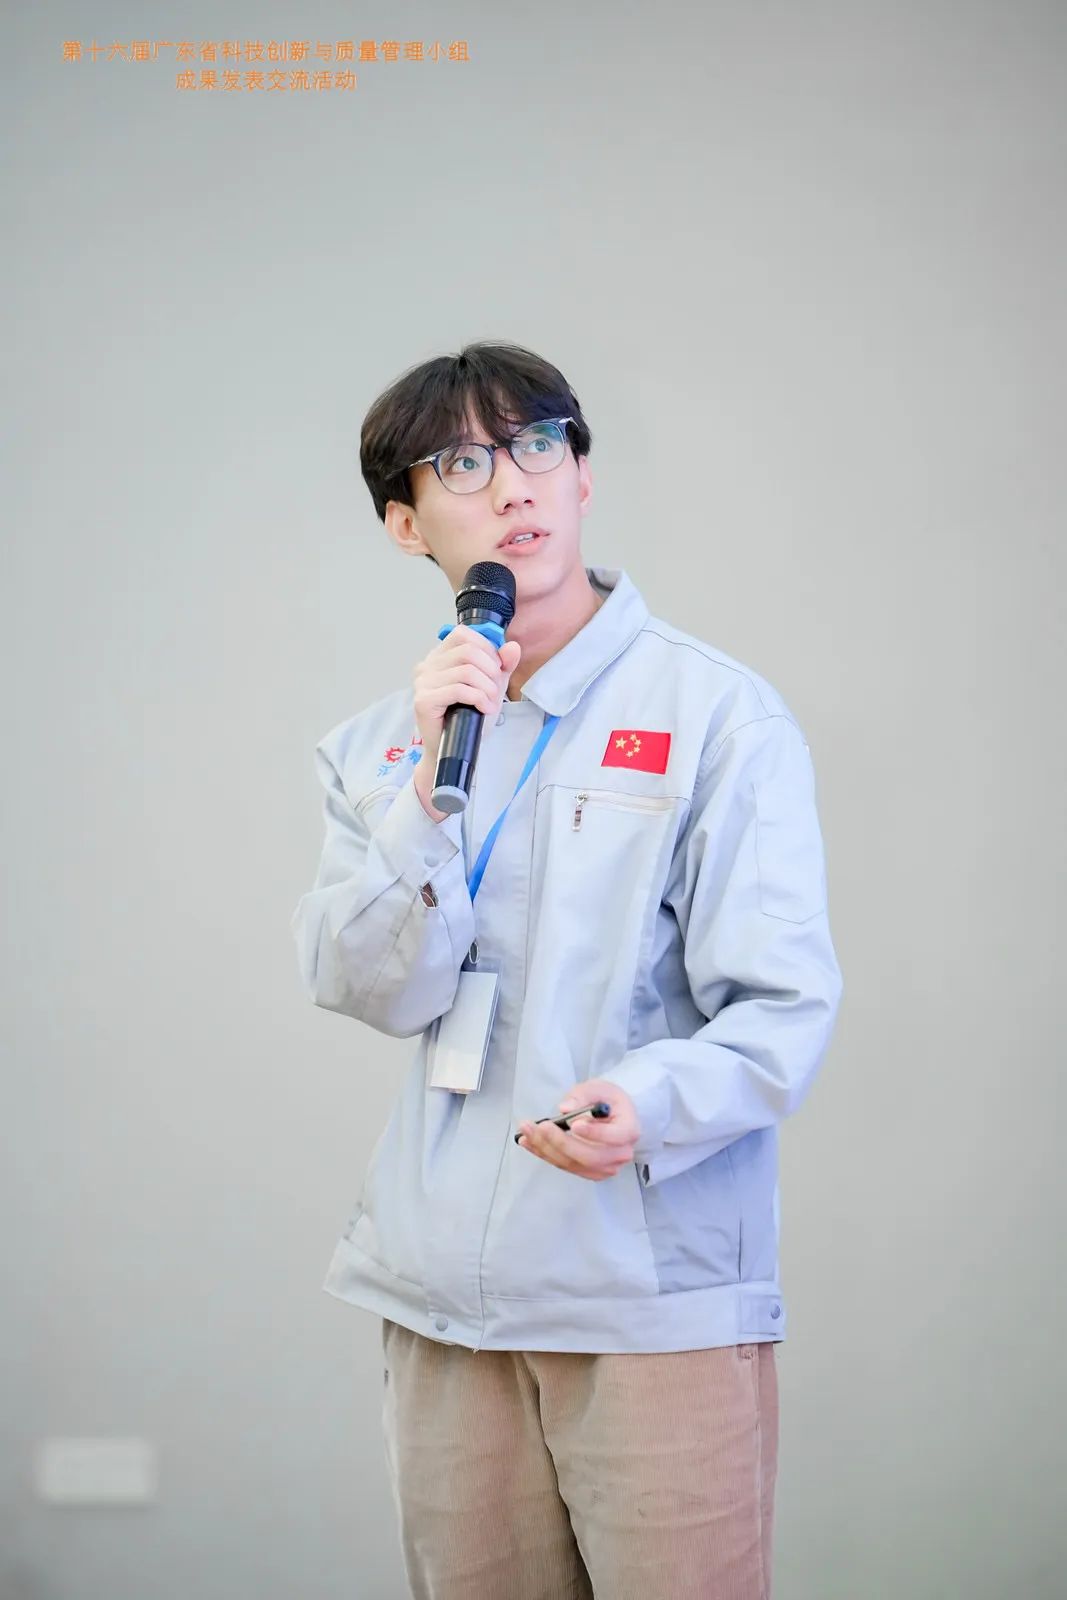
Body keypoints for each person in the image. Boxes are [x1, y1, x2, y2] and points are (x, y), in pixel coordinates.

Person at [291, 341, 843, 1600]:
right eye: (461, 463)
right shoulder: (384, 747)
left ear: (582, 476)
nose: (512, 485)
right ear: (404, 524)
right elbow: (372, 986)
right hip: (443, 1305)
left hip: (644, 1304)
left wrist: (648, 1103)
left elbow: (781, 1008)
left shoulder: (716, 715)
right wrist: (424, 800)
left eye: (538, 445)